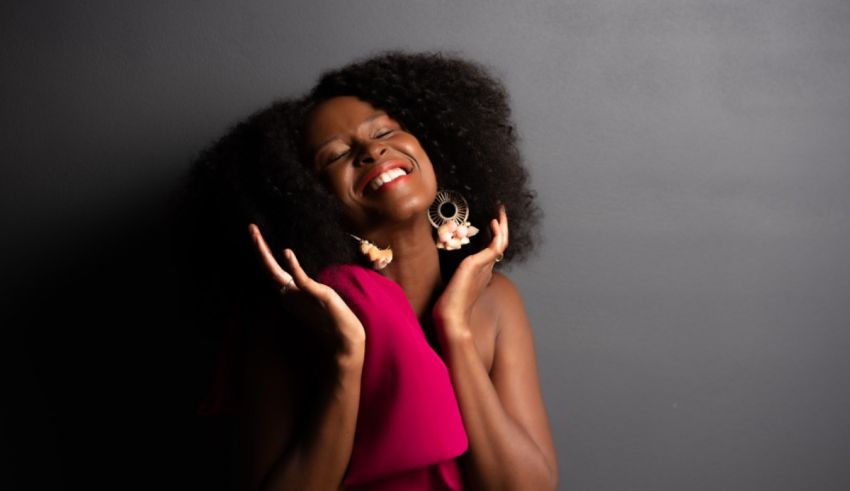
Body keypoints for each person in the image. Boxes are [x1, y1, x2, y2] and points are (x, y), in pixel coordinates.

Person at [181, 51, 557, 490]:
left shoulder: (496, 303)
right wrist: (347, 357)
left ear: (433, 145)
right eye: (336, 156)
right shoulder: (287, 322)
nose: (371, 150)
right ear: (309, 202)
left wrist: (454, 329)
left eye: (385, 131)